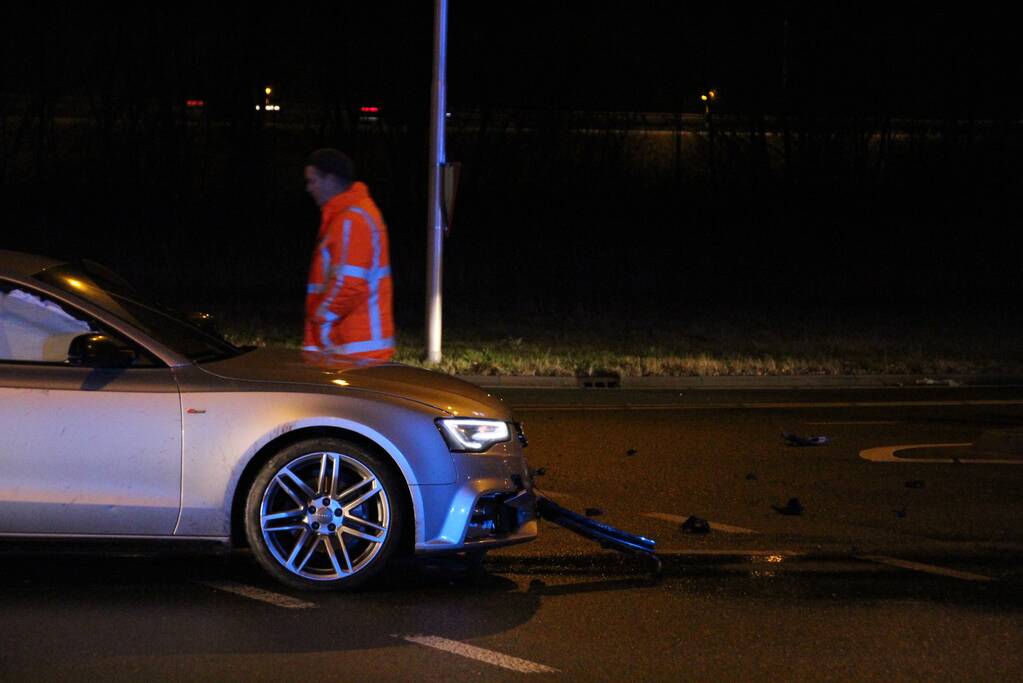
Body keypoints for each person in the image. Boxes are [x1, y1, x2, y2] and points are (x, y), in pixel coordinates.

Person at [303, 149, 394, 361]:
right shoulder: (352, 214)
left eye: (313, 181)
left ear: (331, 180)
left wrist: (320, 319)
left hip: (352, 349)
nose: (309, 188)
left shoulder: (350, 219)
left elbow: (348, 284)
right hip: (354, 345)